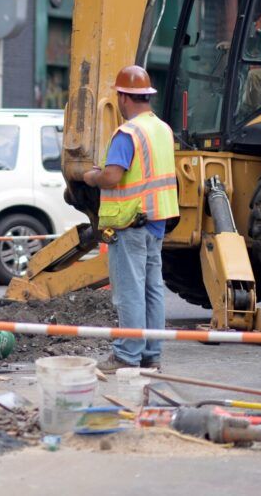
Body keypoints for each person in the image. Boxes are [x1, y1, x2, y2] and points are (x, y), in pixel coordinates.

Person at [82, 65, 179, 372]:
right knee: (152, 288)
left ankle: (126, 354)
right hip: (156, 220)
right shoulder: (162, 129)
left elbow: (112, 176)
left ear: (124, 97)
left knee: (129, 291)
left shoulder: (128, 133)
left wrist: (91, 176)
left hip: (130, 222)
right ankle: (151, 354)